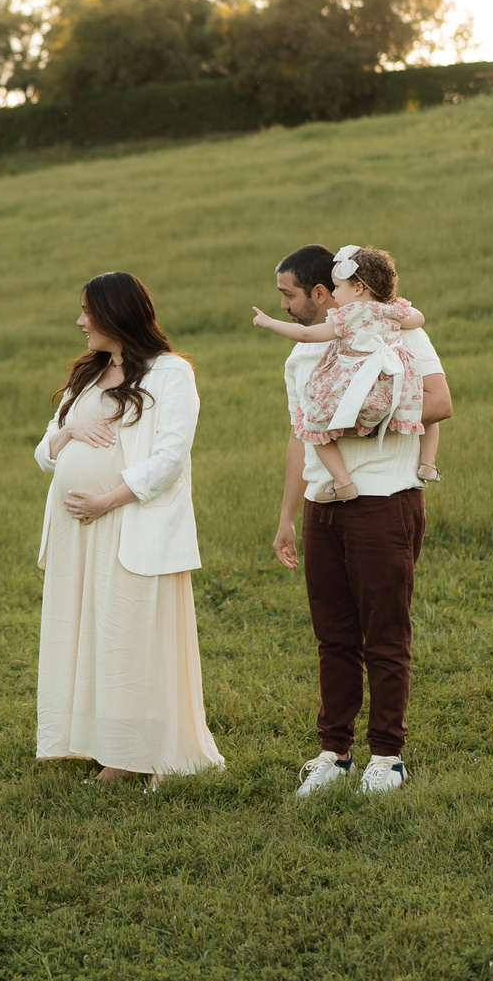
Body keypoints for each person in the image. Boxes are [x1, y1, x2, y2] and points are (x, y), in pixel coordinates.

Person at [268, 244, 452, 798]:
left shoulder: (399, 330)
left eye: (289, 295)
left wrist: (352, 422)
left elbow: (440, 402)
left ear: (327, 292)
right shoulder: (301, 356)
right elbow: (301, 436)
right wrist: (287, 518)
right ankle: (334, 752)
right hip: (324, 508)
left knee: (385, 633)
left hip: (383, 500)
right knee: (334, 635)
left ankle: (387, 758)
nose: (283, 304)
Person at [33, 270, 225, 787]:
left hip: (129, 521)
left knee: (132, 634)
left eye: (87, 313)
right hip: (80, 530)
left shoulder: (169, 373)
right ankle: (105, 744)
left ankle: (140, 754)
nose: (80, 322)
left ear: (117, 314)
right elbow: (44, 451)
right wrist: (68, 430)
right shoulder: (87, 375)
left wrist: (107, 500)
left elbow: (170, 457)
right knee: (91, 634)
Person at [250, 243, 429, 500]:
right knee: (311, 424)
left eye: (288, 295)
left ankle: (343, 481)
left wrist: (268, 323)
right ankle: (428, 463)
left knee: (312, 424)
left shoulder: (357, 321)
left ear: (355, 288)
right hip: (319, 497)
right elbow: (417, 317)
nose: (282, 305)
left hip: (385, 492)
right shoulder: (393, 316)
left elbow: (306, 334)